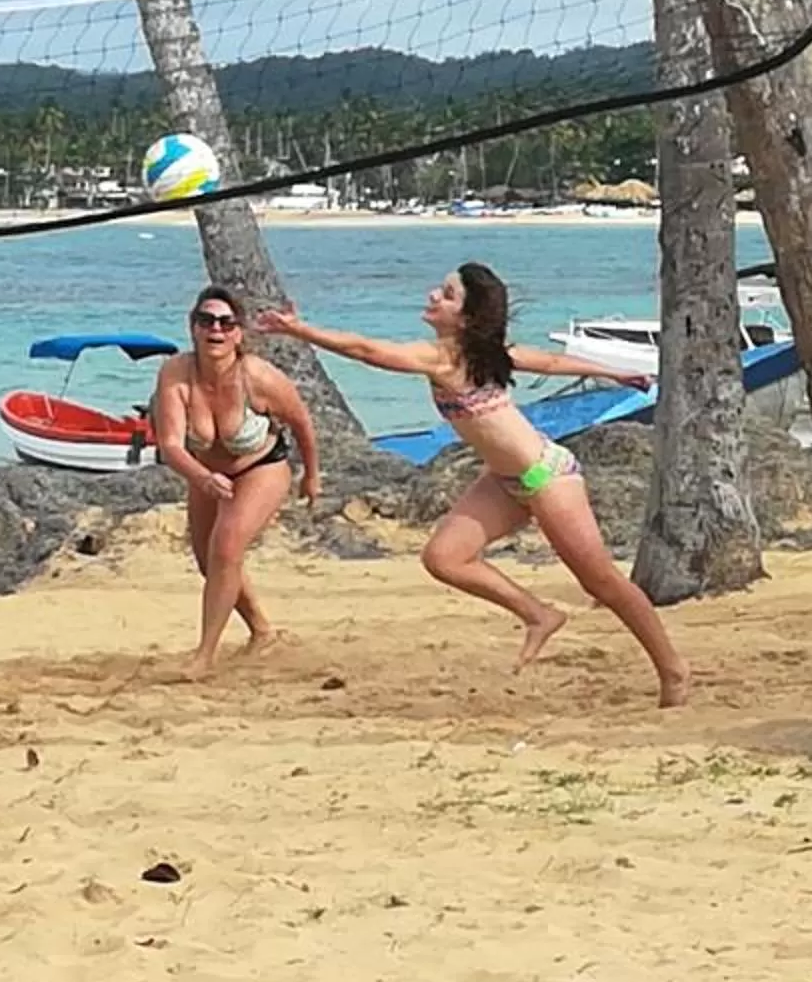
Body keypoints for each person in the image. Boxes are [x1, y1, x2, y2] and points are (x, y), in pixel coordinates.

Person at [256, 264, 692, 706]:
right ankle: (538, 613)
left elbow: (368, 350)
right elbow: (549, 361)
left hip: (547, 476)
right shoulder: (471, 353)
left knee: (602, 584)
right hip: (504, 482)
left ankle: (672, 670)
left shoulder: (454, 357)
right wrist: (612, 374)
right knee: (444, 557)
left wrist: (303, 331)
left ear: (465, 317)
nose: (432, 296)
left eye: (446, 294)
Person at [150, 285, 321, 680]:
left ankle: (204, 655)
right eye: (207, 321)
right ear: (193, 328)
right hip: (205, 474)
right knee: (209, 561)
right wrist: (202, 477)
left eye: (227, 323)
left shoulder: (258, 376)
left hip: (260, 467)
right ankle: (261, 630)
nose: (217, 330)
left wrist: (312, 475)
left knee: (226, 548)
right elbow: (171, 443)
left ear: (239, 333)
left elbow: (301, 422)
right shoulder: (176, 372)